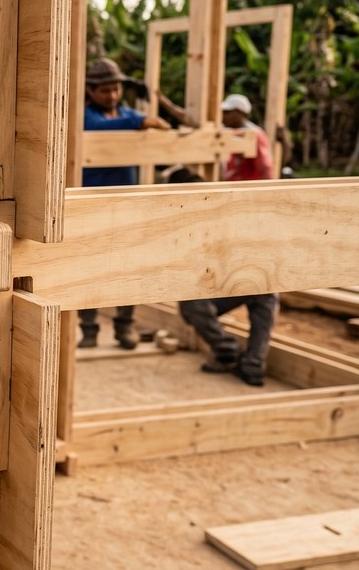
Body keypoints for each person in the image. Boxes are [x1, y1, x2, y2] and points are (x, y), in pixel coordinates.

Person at [177, 93, 277, 386]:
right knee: (265, 291)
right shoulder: (229, 136)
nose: (222, 116)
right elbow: (195, 123)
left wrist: (258, 204)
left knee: (262, 291)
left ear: (239, 112)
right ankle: (252, 363)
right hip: (239, 218)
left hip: (248, 214)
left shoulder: (253, 136)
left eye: (226, 112)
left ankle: (234, 355)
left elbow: (267, 175)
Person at [78, 58, 170, 350]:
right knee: (89, 270)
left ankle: (124, 327)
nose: (112, 95)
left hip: (127, 203)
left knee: (129, 268)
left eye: (116, 89)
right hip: (93, 203)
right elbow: (94, 128)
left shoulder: (129, 114)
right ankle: (89, 328)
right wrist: (140, 121)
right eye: (105, 90)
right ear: (91, 91)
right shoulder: (85, 117)